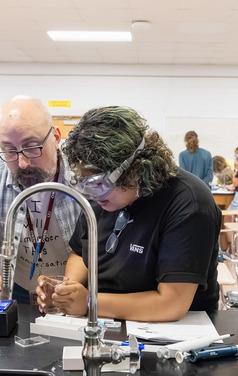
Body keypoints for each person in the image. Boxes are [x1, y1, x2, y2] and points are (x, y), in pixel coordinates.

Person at [38, 106, 222, 322]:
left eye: (99, 183)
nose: (94, 194)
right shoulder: (103, 197)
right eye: (86, 182)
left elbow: (171, 304)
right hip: (103, 317)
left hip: (172, 333)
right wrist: (67, 292)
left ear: (136, 167)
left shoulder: (188, 202)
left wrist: (90, 302)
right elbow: (80, 253)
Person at [0, 96, 81, 304]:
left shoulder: (82, 173)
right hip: (13, 292)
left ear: (56, 137)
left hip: (76, 292)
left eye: (31, 147)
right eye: (9, 150)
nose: (22, 163)